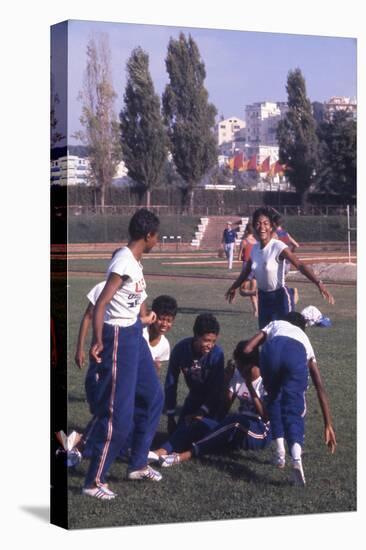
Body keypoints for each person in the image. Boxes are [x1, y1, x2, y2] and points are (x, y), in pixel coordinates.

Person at [82, 208, 164, 500]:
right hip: (118, 338)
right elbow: (101, 304)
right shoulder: (123, 261)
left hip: (134, 336)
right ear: (147, 236)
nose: (158, 241)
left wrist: (145, 317)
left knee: (154, 396)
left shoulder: (136, 262)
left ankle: (138, 463)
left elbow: (132, 302)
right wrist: (97, 340)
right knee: (120, 416)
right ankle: (94, 481)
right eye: (157, 237)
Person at [243, 311, 337, 486]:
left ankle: (279, 454)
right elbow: (320, 387)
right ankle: (296, 459)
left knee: (273, 399)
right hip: (295, 354)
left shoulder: (276, 323)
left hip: (270, 351)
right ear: (302, 328)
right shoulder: (304, 339)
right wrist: (328, 424)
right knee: (293, 409)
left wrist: (259, 363)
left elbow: (248, 348)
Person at [152, 341, 270, 467]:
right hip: (234, 428)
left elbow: (266, 417)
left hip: (259, 431)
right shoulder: (237, 374)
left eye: (241, 366)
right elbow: (224, 408)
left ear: (252, 365)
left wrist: (250, 388)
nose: (239, 370)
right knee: (195, 422)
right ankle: (159, 452)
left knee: (235, 421)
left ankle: (182, 456)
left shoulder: (266, 379)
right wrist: (226, 381)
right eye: (238, 365)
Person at [225, 207, 335, 329]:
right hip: (263, 299)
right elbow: (245, 273)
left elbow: (300, 265)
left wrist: (318, 282)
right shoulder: (255, 249)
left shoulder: (278, 246)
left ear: (271, 227)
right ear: (254, 228)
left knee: (286, 334)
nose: (262, 227)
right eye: (258, 223)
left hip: (280, 298)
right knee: (266, 338)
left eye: (266, 223)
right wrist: (233, 287)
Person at [164, 313, 225, 437]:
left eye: (213, 341)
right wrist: (170, 416)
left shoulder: (217, 354)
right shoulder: (181, 349)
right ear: (196, 336)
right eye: (206, 340)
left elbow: (216, 389)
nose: (210, 345)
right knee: (179, 434)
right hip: (193, 398)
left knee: (201, 436)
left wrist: (202, 411)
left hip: (213, 402)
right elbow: (171, 382)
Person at [143, 294, 178, 372]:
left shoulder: (164, 345)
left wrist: (156, 368)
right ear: (153, 315)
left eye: (169, 321)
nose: (164, 324)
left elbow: (155, 374)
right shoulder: (141, 332)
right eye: (161, 319)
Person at [237, 222, 258, 317]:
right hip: (256, 267)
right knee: (252, 288)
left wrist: (243, 256)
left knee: (243, 290)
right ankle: (256, 310)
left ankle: (256, 308)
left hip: (247, 267)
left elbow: (239, 257)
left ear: (246, 231)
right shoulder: (257, 242)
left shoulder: (244, 242)